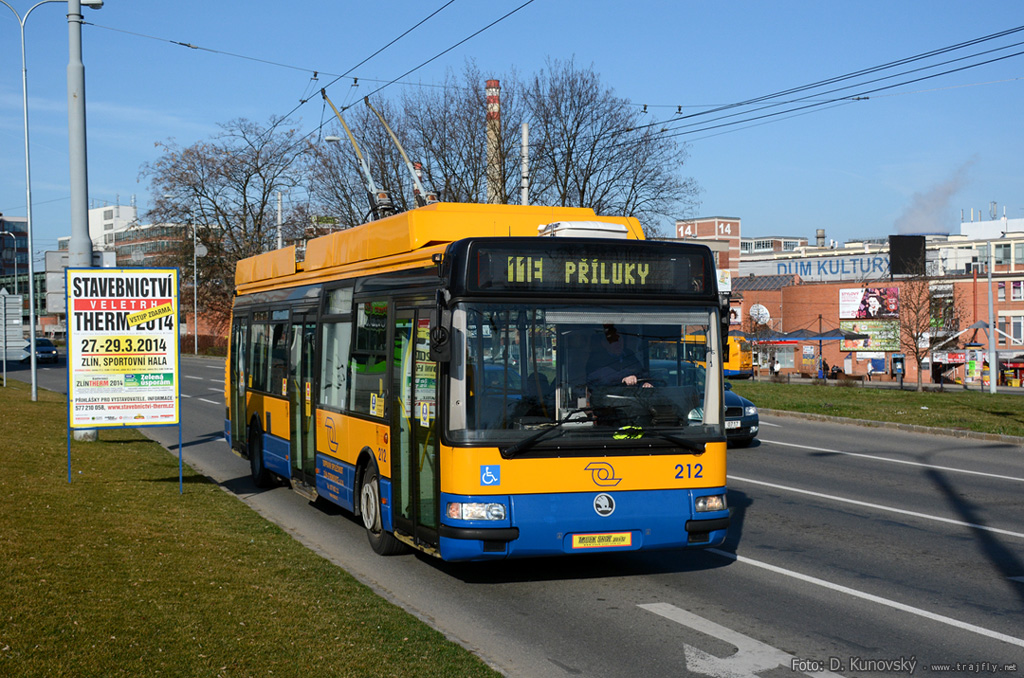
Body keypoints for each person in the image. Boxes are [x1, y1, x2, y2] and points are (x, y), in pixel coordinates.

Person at [586, 325, 652, 388]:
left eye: (620, 339)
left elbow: (642, 374)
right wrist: (623, 379)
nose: (618, 343)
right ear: (604, 343)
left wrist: (646, 383)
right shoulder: (596, 359)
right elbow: (595, 379)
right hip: (607, 397)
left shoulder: (630, 356)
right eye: (614, 340)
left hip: (633, 397)